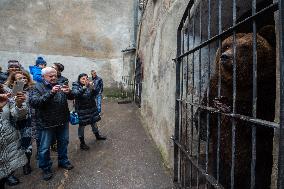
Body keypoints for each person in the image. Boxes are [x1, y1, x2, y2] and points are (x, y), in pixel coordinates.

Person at [29, 67, 74, 181]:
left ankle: (63, 161)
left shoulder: (61, 83)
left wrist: (69, 92)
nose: (54, 77)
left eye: (55, 75)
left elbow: (72, 96)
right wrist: (51, 92)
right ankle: (46, 168)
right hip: (46, 123)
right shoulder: (37, 87)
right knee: (44, 148)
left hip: (62, 120)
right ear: (43, 76)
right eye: (50, 76)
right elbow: (35, 103)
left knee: (63, 142)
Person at [4, 71, 34, 175]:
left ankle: (27, 164)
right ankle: (10, 173)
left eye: (24, 78)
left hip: (27, 121)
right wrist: (17, 99)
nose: (23, 80)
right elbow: (11, 108)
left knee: (27, 143)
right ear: (13, 82)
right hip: (12, 123)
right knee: (12, 146)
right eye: (19, 78)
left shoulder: (30, 90)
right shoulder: (8, 92)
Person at [0, 84, 28, 187]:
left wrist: (19, 105)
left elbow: (17, 116)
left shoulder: (5, 93)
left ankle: (8, 175)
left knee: (5, 167)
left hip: (8, 138)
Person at [72, 73, 106, 151]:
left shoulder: (89, 85)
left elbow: (96, 93)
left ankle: (97, 136)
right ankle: (82, 143)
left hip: (91, 108)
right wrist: (84, 87)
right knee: (82, 126)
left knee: (94, 123)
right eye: (83, 79)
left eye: (86, 79)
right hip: (82, 110)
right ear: (79, 79)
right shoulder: (75, 85)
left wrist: (93, 87)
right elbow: (76, 94)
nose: (85, 80)